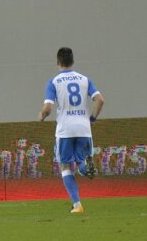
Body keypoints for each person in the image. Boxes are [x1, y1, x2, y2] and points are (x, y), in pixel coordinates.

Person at [39, 46, 105, 214]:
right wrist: (93, 118)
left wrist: (41, 116)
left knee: (65, 166)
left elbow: (48, 108)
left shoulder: (54, 82)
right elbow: (100, 100)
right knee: (81, 161)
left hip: (65, 130)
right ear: (73, 61)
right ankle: (85, 167)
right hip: (84, 128)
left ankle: (77, 205)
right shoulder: (84, 80)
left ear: (58, 62)